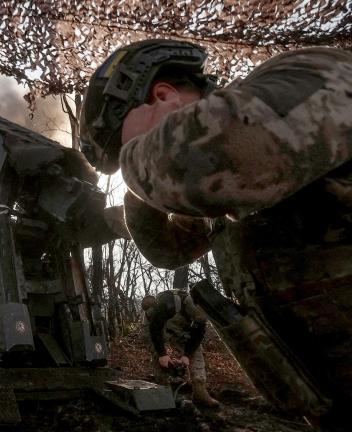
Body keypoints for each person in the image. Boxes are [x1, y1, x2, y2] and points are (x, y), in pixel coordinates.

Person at [80, 39, 352, 428]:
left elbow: (212, 157)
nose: (133, 164)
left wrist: (138, 161)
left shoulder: (307, 70)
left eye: (132, 148)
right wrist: (139, 195)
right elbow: (167, 250)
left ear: (163, 95)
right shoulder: (222, 190)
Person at [141, 290, 219, 408]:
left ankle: (200, 393)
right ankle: (164, 392)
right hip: (154, 327)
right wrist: (162, 354)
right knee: (159, 357)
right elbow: (155, 328)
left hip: (178, 330)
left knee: (196, 353)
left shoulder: (201, 313)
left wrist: (186, 355)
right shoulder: (167, 301)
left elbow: (197, 336)